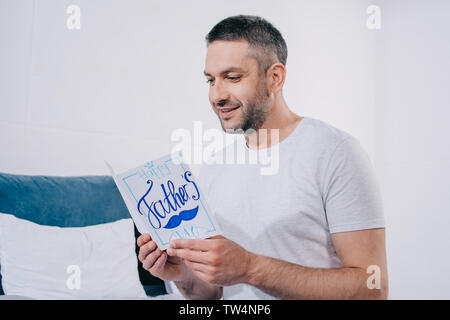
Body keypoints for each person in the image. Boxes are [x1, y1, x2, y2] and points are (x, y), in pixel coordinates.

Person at [137, 15, 388, 300]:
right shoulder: (213, 168)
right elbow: (214, 294)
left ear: (275, 78)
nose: (217, 95)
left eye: (232, 78)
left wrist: (251, 267)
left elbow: (373, 289)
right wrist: (183, 276)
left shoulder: (336, 153)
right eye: (210, 80)